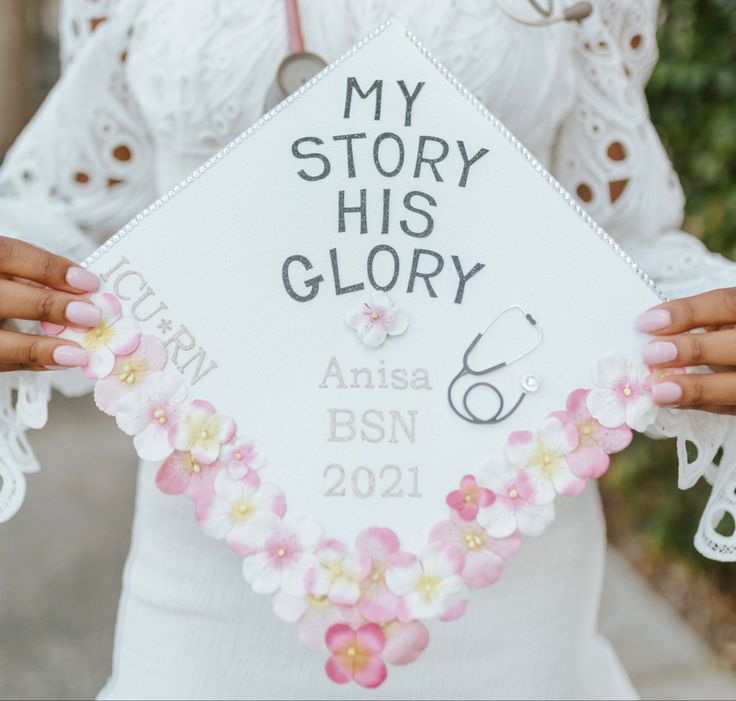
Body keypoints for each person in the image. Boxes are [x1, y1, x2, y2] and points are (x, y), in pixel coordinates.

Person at [1, 1, 734, 699]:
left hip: (505, 566)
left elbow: (614, 237)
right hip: (207, 585)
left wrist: (700, 323)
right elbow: (81, 212)